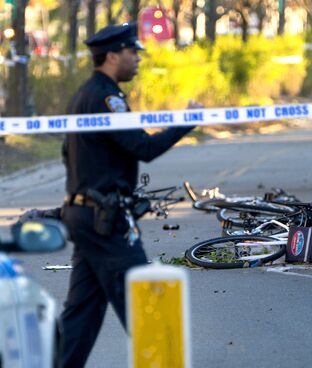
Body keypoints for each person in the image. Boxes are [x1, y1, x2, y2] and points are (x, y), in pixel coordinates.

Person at [58, 23, 200, 367]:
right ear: (111, 56)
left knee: (81, 316)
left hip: (85, 214)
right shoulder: (108, 98)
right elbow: (142, 147)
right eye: (131, 52)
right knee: (146, 306)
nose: (137, 59)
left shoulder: (84, 94)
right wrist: (186, 121)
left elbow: (67, 152)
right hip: (105, 219)